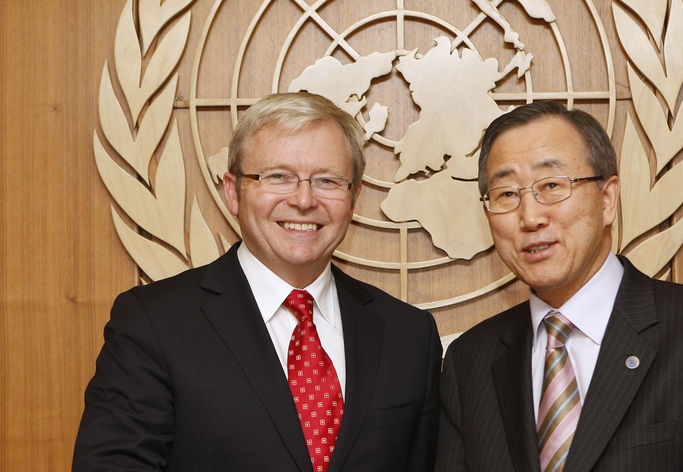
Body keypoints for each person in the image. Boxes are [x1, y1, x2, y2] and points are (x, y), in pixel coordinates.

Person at [73, 92, 442, 472]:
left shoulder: (409, 335)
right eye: (278, 177)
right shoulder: (155, 323)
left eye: (327, 181)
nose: (303, 200)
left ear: (354, 198)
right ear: (233, 192)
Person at [435, 101, 683, 471]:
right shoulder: (470, 362)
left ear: (607, 199)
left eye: (552, 185)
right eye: (508, 194)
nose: (530, 216)